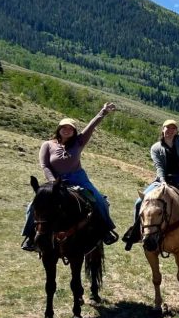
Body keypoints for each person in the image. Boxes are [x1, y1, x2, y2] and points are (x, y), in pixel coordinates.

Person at [21, 103, 119, 251]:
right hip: (55, 179)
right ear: (58, 129)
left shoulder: (79, 142)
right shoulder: (47, 145)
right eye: (64, 127)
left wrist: (103, 112)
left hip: (78, 178)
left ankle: (106, 230)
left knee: (99, 200)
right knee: (33, 206)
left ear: (74, 131)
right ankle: (29, 236)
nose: (67, 130)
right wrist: (53, 182)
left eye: (70, 128)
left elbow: (91, 127)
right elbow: (45, 165)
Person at [122, 101, 179, 249]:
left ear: (176, 131)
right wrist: (163, 181)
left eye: (173, 128)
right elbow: (159, 166)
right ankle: (136, 232)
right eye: (167, 128)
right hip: (163, 180)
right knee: (139, 203)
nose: (170, 130)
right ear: (162, 130)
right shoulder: (156, 148)